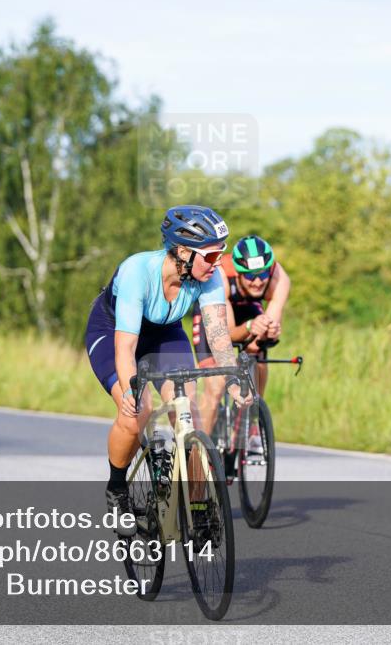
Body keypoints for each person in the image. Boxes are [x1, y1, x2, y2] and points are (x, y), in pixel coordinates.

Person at [85, 205, 250, 536]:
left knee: (190, 420)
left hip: (166, 333)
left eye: (222, 253)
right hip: (115, 330)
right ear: (183, 250)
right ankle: (117, 489)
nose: (219, 263)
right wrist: (131, 391)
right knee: (135, 413)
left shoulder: (209, 275)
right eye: (211, 255)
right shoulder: (137, 272)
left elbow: (218, 335)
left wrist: (233, 378)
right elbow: (126, 349)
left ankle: (200, 508)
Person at [191, 235, 291, 453]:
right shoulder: (221, 276)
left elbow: (268, 329)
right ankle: (199, 454)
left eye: (262, 273)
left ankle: (251, 421)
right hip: (216, 315)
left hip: (249, 309)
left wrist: (267, 331)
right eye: (249, 275)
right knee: (216, 385)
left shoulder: (279, 279)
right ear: (237, 271)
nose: (257, 281)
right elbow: (225, 335)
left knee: (258, 353)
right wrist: (248, 328)